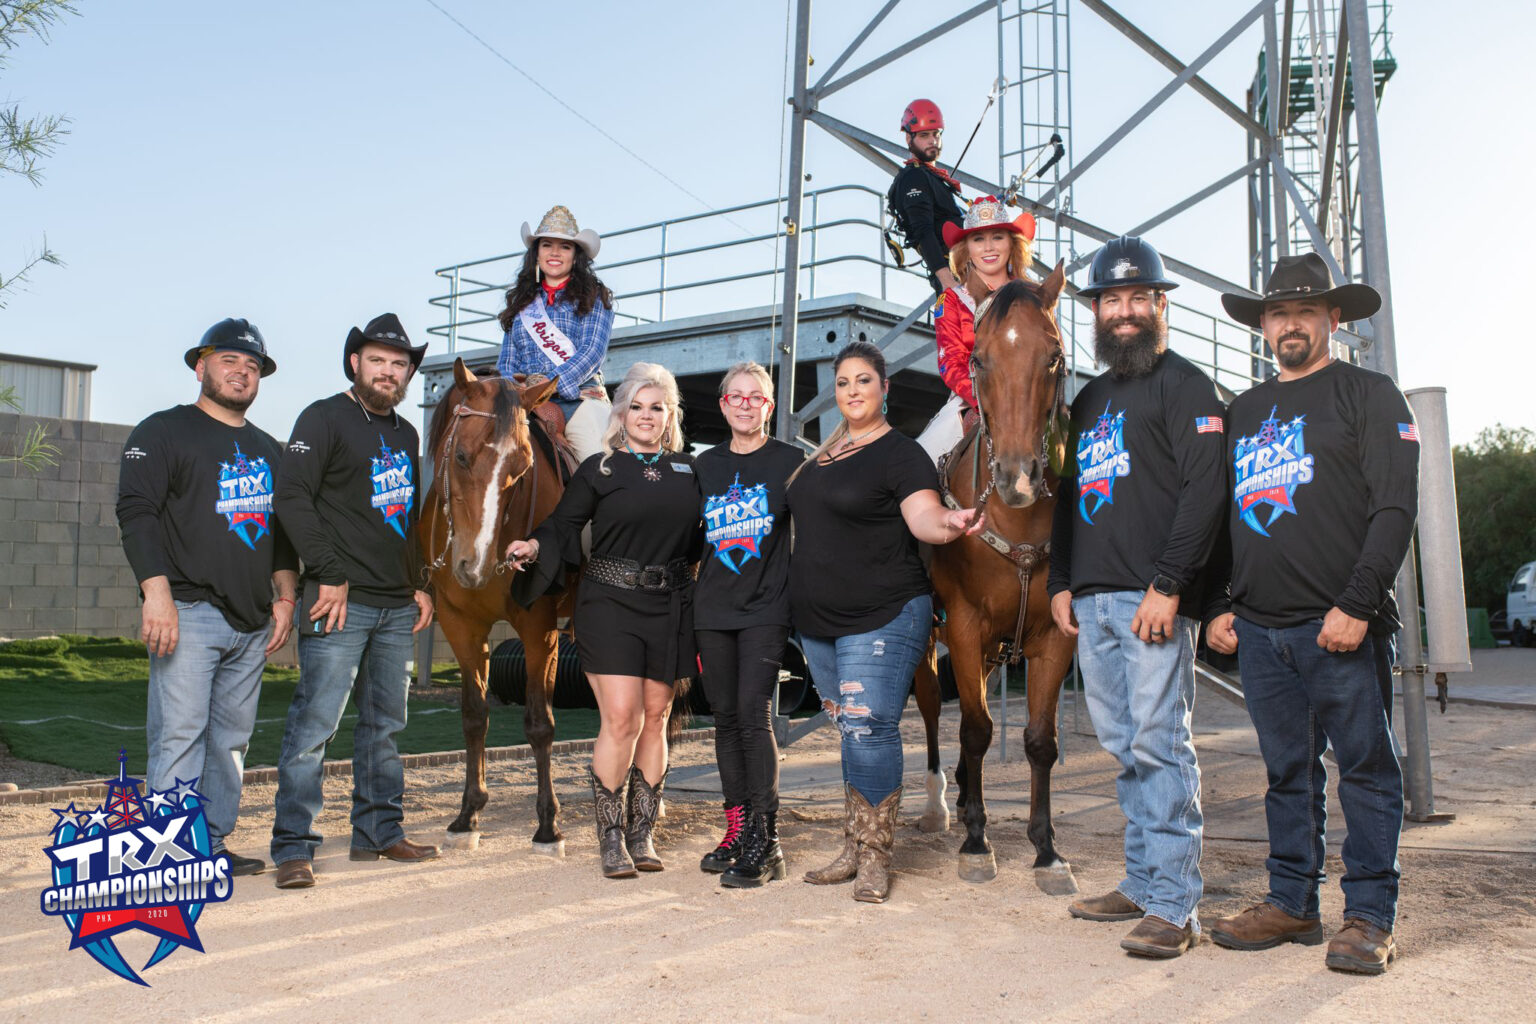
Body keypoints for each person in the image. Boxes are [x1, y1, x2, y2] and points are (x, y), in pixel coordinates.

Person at [1205, 252, 1416, 976]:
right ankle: (1292, 902)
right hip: (1261, 633)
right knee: (1286, 773)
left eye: (1306, 311)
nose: (1290, 323)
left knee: (1365, 770)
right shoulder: (1243, 411)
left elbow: (1395, 507)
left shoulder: (1370, 394)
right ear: (1264, 325)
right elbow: (1221, 519)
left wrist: (1357, 604)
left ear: (1333, 318)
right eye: (1277, 313)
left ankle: (1368, 918)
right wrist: (1218, 606)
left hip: (1341, 628)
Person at [1047, 236, 1227, 959]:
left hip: (1151, 599)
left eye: (1135, 298)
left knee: (1160, 744)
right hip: (1093, 604)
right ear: (1097, 311)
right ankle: (1143, 881)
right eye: (1109, 300)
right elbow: (1066, 497)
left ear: (1158, 305)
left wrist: (1169, 585)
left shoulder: (1187, 386)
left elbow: (1205, 493)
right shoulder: (1088, 399)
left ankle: (1176, 907)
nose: (1122, 312)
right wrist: (1062, 580)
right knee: (1125, 749)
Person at [789, 341, 983, 904]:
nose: (852, 391)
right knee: (850, 727)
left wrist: (949, 521)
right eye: (844, 382)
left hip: (883, 614)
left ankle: (875, 855)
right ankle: (854, 844)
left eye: (864, 381)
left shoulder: (902, 455)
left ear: (883, 389)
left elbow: (922, 516)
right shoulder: (821, 455)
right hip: (818, 620)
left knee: (871, 726)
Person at [505, 362, 702, 879]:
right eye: (636, 405)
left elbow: (704, 540)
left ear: (669, 416)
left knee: (656, 717)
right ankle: (610, 835)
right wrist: (532, 545)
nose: (645, 415)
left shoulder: (689, 472)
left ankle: (642, 831)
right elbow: (562, 524)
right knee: (622, 718)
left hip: (671, 604)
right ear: (619, 413)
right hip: (610, 603)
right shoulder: (601, 470)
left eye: (656, 407)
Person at [116, 318, 297, 876]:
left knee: (230, 744)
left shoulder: (270, 448)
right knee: (179, 736)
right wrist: (157, 594)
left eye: (252, 366)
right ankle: (167, 857)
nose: (241, 372)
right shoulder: (163, 431)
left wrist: (285, 600)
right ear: (201, 366)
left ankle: (210, 844)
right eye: (229, 361)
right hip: (188, 611)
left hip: (251, 621)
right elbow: (136, 513)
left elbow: (285, 534)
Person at [269, 313, 438, 890]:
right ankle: (294, 846)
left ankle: (378, 832)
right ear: (354, 363)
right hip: (337, 601)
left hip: (395, 604)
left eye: (399, 364)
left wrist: (420, 582)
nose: (389, 372)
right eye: (378, 361)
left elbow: (406, 517)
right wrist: (329, 572)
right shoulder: (322, 418)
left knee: (386, 724)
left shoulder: (406, 434)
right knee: (315, 725)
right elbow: (291, 499)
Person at [693, 362, 805, 888]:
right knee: (724, 720)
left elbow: (821, 530)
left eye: (754, 397)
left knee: (752, 715)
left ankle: (767, 839)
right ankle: (737, 828)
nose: (744, 403)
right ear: (722, 405)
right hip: (712, 611)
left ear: (768, 405)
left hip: (765, 609)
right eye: (734, 396)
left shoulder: (791, 462)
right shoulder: (704, 465)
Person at [914, 195, 1036, 462]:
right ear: (966, 247)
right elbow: (951, 364)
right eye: (978, 239)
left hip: (1033, 396)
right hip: (972, 398)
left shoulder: (1034, 296)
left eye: (998, 237)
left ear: (1011, 243)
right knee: (916, 462)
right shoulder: (951, 301)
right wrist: (990, 400)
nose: (988, 247)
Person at [496, 205, 615, 463]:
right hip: (522, 401)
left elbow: (592, 352)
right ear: (536, 253)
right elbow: (506, 361)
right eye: (547, 245)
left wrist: (547, 384)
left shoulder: (594, 297)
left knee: (600, 468)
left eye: (565, 247)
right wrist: (513, 390)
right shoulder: (521, 304)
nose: (555, 253)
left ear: (576, 255)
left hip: (578, 399)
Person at [887, 99, 966, 294]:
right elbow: (922, 230)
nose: (933, 141)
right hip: (956, 277)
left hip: (968, 270)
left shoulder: (933, 177)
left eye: (936, 134)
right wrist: (947, 281)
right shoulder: (914, 177)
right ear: (908, 138)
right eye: (924, 135)